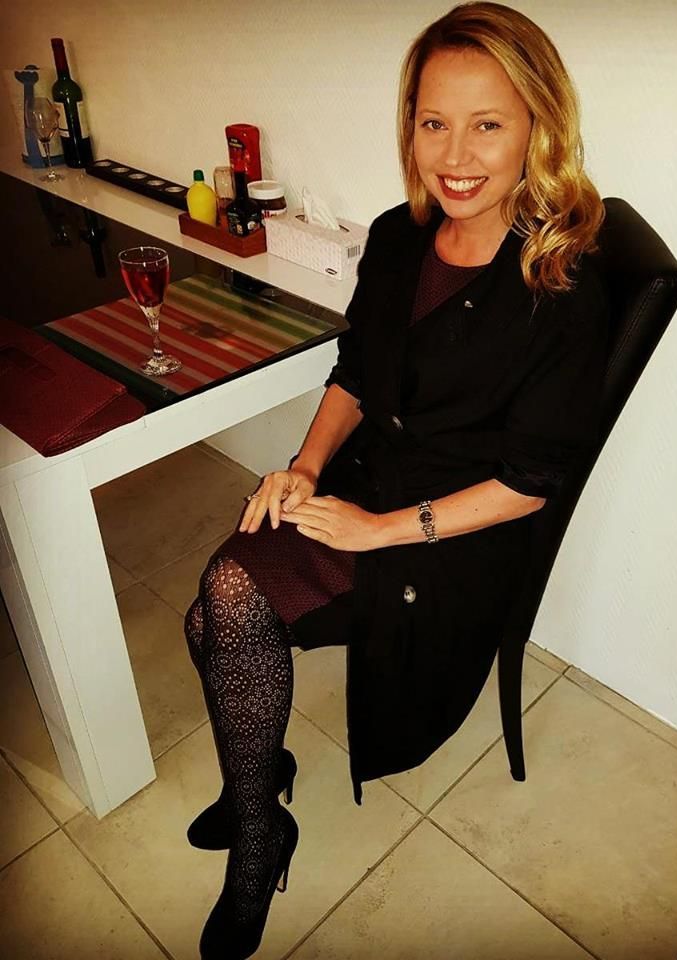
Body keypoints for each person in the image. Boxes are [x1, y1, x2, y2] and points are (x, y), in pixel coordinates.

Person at [183, 2, 609, 956]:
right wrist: (304, 468)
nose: (455, 155)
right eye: (432, 122)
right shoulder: (396, 235)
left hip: (458, 531)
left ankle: (258, 833)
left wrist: (377, 529)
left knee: (227, 602)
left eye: (487, 123)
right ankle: (259, 790)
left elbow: (531, 482)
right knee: (214, 615)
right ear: (409, 126)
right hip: (372, 480)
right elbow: (357, 374)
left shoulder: (561, 288)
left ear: (538, 126)